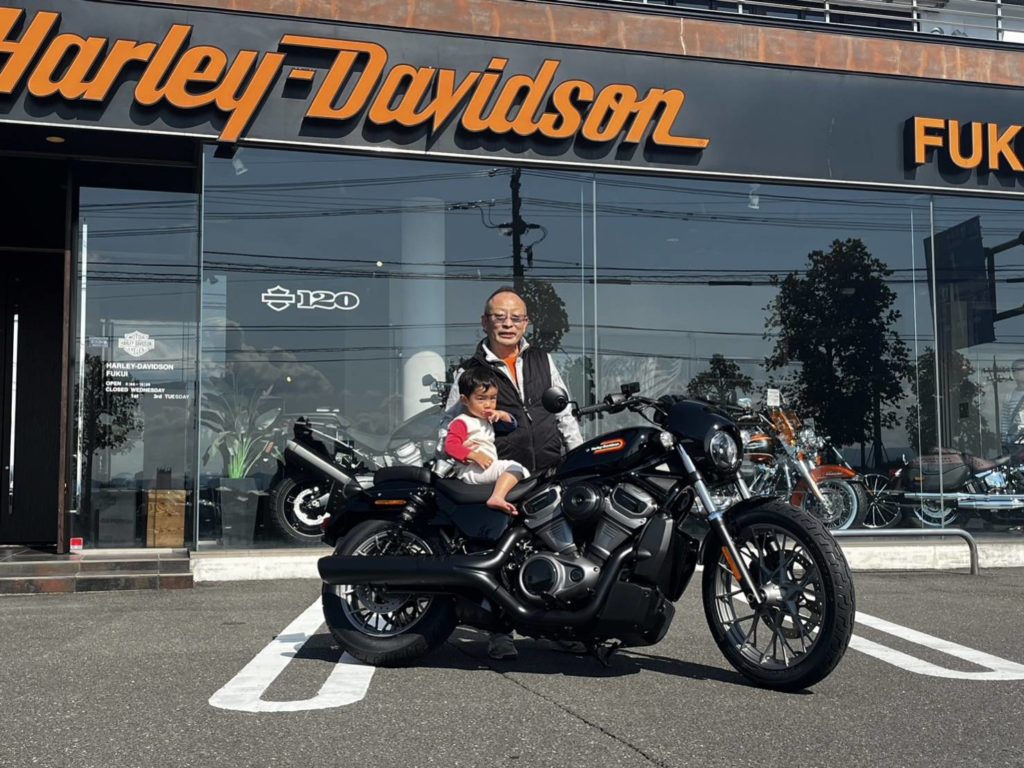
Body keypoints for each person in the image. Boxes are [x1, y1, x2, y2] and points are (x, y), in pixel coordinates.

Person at [442, 286, 583, 660]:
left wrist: (577, 457)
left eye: (516, 317)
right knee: (504, 553)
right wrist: (465, 455)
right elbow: (448, 425)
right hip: (503, 472)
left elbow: (564, 413)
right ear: (485, 321)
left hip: (548, 468)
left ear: (526, 323)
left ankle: (559, 627)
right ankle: (500, 633)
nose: (508, 324)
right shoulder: (470, 371)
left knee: (557, 546)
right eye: (499, 317)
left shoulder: (542, 360)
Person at [444, 367, 529, 514]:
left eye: (492, 398)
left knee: (516, 471)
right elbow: (450, 446)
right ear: (464, 400)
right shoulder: (462, 422)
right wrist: (474, 456)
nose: (488, 404)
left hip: (485, 467)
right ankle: (497, 497)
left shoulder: (485, 419)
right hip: (472, 470)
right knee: (515, 468)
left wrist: (501, 414)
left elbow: (511, 426)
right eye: (481, 399)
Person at [1001, 359, 1024, 453]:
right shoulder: (1009, 397)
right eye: (1015, 369)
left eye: (1022, 368)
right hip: (1015, 443)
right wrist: (1003, 442)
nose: (1019, 372)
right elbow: (1005, 421)